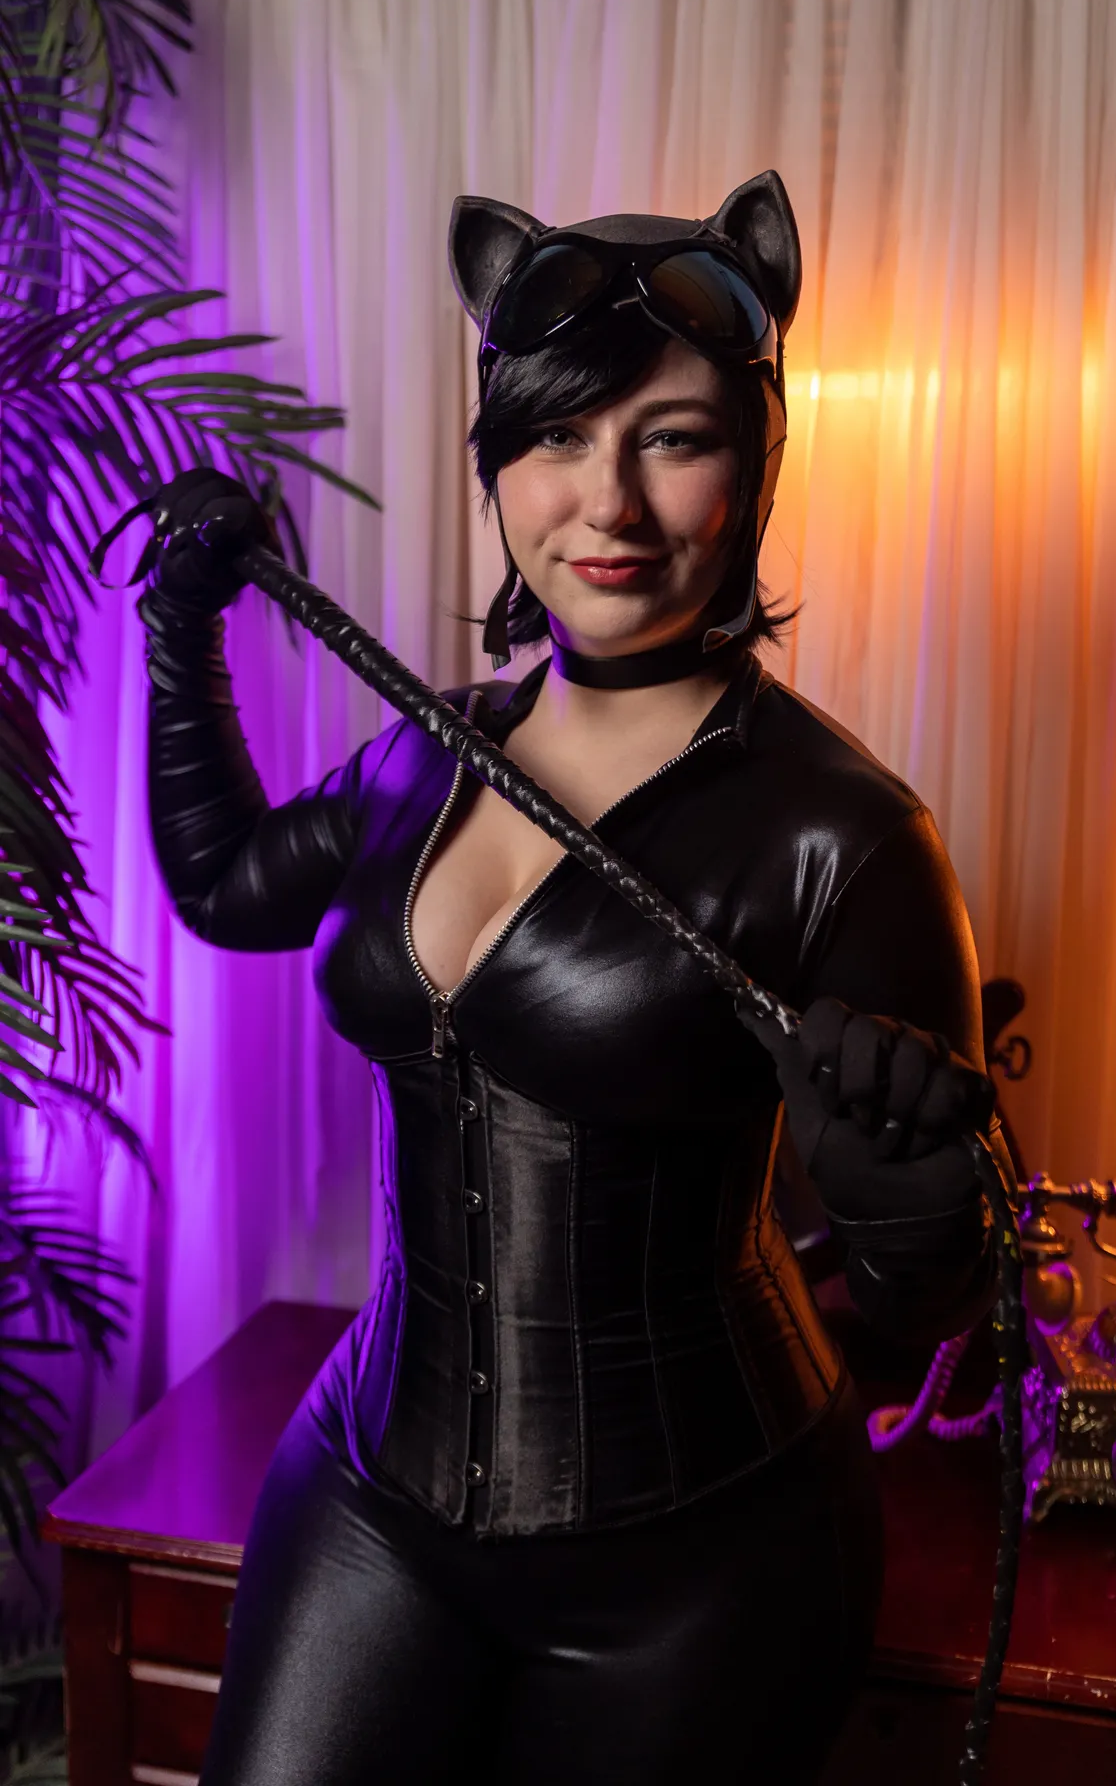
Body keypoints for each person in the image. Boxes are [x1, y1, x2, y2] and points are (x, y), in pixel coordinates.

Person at [140, 171, 1005, 1786]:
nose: (607, 503)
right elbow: (228, 884)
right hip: (371, 1492)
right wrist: (180, 633)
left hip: (705, 1553)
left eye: (672, 438)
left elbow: (934, 1309)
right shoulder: (426, 752)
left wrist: (905, 1209)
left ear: (755, 465)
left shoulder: (848, 838)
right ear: (497, 466)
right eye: (556, 436)